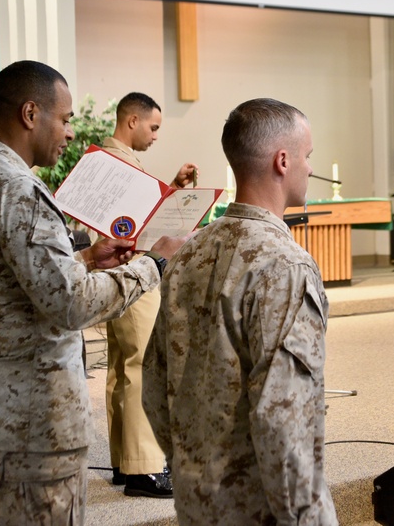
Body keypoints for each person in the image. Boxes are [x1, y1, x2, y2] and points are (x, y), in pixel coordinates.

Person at [0, 60, 186, 526]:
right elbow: (72, 304)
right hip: (35, 415)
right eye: (64, 119)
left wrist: (87, 259)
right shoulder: (18, 188)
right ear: (31, 114)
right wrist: (156, 262)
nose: (69, 132)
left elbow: (4, 277)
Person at [143, 98, 338, 525]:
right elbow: (283, 419)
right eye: (307, 157)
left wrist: (192, 466)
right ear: (282, 161)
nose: (309, 167)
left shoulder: (190, 252)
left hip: (198, 501)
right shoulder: (285, 265)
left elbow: (155, 383)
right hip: (260, 508)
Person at [100, 92, 197, 498]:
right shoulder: (117, 162)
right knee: (141, 365)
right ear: (133, 120)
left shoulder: (115, 159)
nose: (156, 135)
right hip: (134, 272)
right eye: (154, 127)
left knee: (121, 366)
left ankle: (125, 462)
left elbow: (137, 213)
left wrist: (173, 187)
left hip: (118, 273)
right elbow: (133, 225)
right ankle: (143, 471)